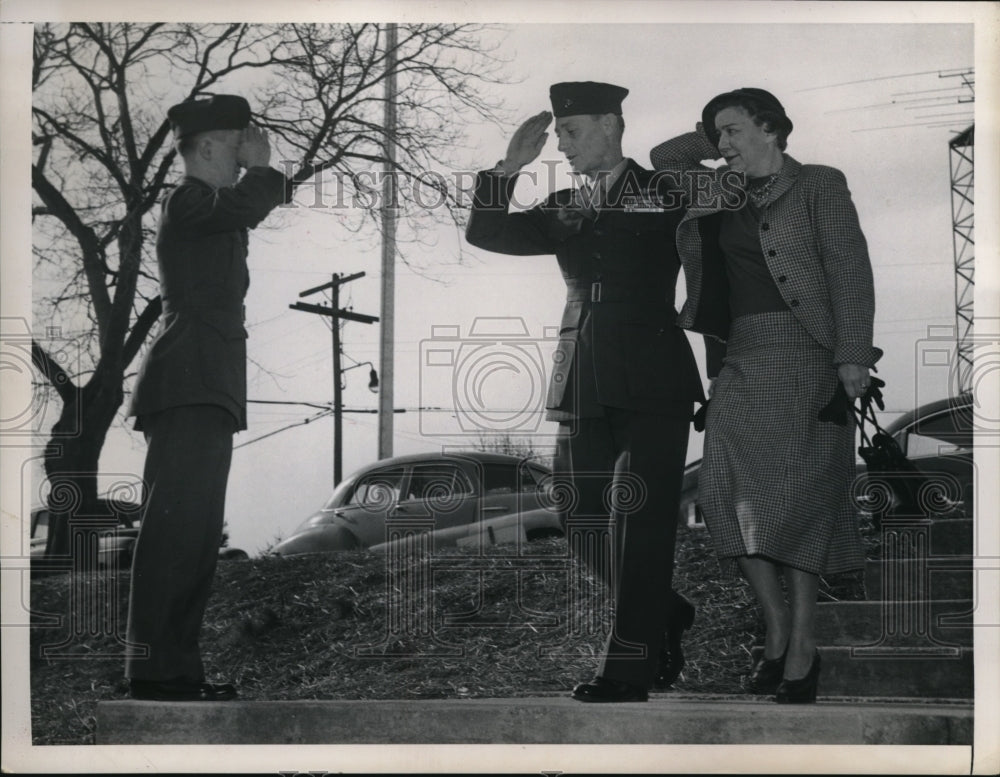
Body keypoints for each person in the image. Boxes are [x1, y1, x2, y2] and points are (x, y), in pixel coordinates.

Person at [466, 82, 702, 703]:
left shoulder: (663, 191)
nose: (562, 146)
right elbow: (486, 235)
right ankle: (665, 611)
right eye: (560, 135)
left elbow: (704, 173)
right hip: (579, 372)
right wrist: (509, 168)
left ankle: (627, 669)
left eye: (572, 132)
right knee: (578, 515)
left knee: (640, 523)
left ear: (610, 125)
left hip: (652, 373)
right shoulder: (564, 202)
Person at [650, 88, 882, 703]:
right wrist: (714, 135)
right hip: (739, 360)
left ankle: (801, 646)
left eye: (733, 131)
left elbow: (850, 269)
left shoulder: (819, 184)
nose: (723, 144)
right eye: (718, 135)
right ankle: (776, 631)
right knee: (724, 495)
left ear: (771, 127)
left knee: (799, 503)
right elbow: (665, 156)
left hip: (809, 356)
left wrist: (854, 354)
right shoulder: (718, 191)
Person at [125, 94, 291, 701]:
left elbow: (243, 210)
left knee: (195, 536)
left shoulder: (210, 209)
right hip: (188, 383)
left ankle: (173, 671)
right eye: (240, 140)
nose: (248, 148)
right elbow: (249, 204)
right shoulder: (188, 200)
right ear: (211, 146)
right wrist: (265, 167)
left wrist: (260, 174)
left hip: (207, 384)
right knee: (175, 532)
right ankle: (154, 670)